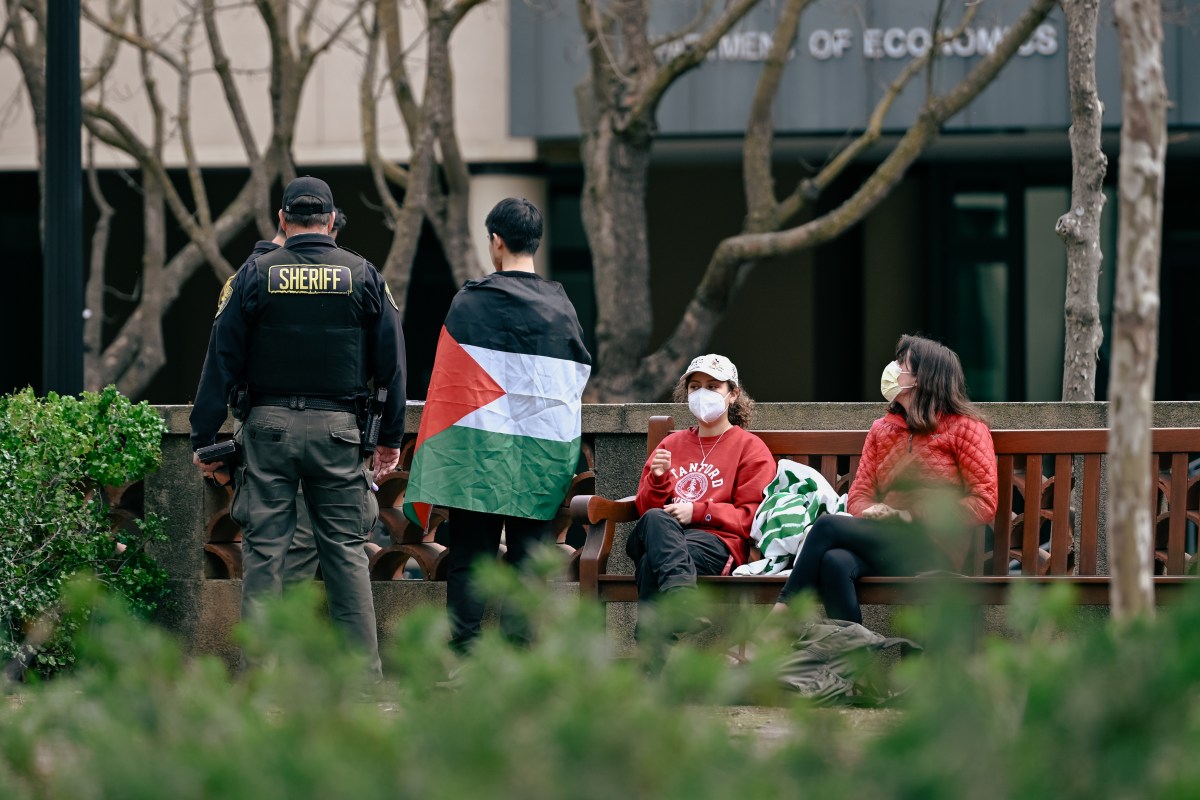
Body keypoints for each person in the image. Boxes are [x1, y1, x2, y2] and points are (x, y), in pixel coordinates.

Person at [190, 177, 406, 677]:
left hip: (267, 431)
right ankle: (362, 678)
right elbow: (392, 366)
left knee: (264, 554)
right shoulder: (364, 275)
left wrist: (205, 438)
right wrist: (390, 440)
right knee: (346, 554)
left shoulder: (253, 274)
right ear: (331, 221)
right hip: (340, 432)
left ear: (282, 221)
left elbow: (219, 362)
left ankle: (262, 677)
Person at [401, 197, 591, 654]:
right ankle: (518, 658)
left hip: (477, 450)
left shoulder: (471, 301)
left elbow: (448, 383)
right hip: (539, 451)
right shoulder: (560, 306)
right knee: (528, 557)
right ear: (535, 243)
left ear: (496, 241)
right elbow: (572, 380)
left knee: (469, 554)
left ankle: (464, 653)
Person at [772, 334, 998, 624]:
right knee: (834, 561)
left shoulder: (966, 428)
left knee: (827, 525)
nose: (891, 368)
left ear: (921, 377)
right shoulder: (882, 429)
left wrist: (908, 514)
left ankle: (777, 622)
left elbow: (984, 502)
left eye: (900, 363)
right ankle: (853, 661)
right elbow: (859, 495)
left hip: (934, 548)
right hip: (884, 540)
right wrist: (871, 512)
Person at [627, 354, 775, 639]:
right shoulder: (671, 443)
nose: (702, 393)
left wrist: (698, 512)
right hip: (663, 535)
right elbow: (645, 511)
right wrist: (658, 481)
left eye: (713, 386)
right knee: (656, 519)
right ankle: (682, 599)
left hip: (714, 544)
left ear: (733, 395)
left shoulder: (750, 448)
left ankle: (651, 668)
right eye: (695, 387)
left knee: (650, 565)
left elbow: (751, 518)